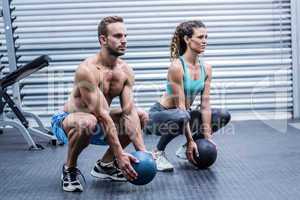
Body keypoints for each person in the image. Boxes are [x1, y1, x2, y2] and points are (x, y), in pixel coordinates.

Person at [51, 16, 149, 192]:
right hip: (67, 122)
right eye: (118, 36)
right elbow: (102, 114)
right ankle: (69, 169)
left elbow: (128, 113)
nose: (124, 40)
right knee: (88, 121)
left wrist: (143, 153)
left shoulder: (126, 71)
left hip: (98, 120)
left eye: (125, 36)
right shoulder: (87, 70)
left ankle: (105, 165)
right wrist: (120, 154)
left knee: (140, 115)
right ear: (103, 39)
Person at [145, 20, 231, 172]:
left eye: (206, 37)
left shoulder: (207, 68)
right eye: (200, 37)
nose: (204, 41)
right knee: (181, 115)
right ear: (187, 39)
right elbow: (181, 108)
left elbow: (205, 105)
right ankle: (158, 152)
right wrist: (190, 140)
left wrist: (206, 138)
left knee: (222, 115)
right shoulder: (177, 67)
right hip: (158, 118)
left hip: (182, 114)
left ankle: (185, 148)